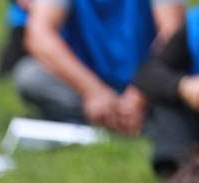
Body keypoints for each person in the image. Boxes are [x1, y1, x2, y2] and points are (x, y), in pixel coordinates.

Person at [15, 0, 182, 149]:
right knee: (31, 76)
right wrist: (92, 90)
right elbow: (39, 35)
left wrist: (139, 95)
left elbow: (172, 35)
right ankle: (121, 119)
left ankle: (117, 119)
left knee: (181, 78)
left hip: (147, 80)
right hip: (86, 80)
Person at [132, 5, 199, 175]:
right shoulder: (194, 25)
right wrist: (184, 86)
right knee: (166, 97)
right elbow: (148, 74)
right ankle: (177, 164)